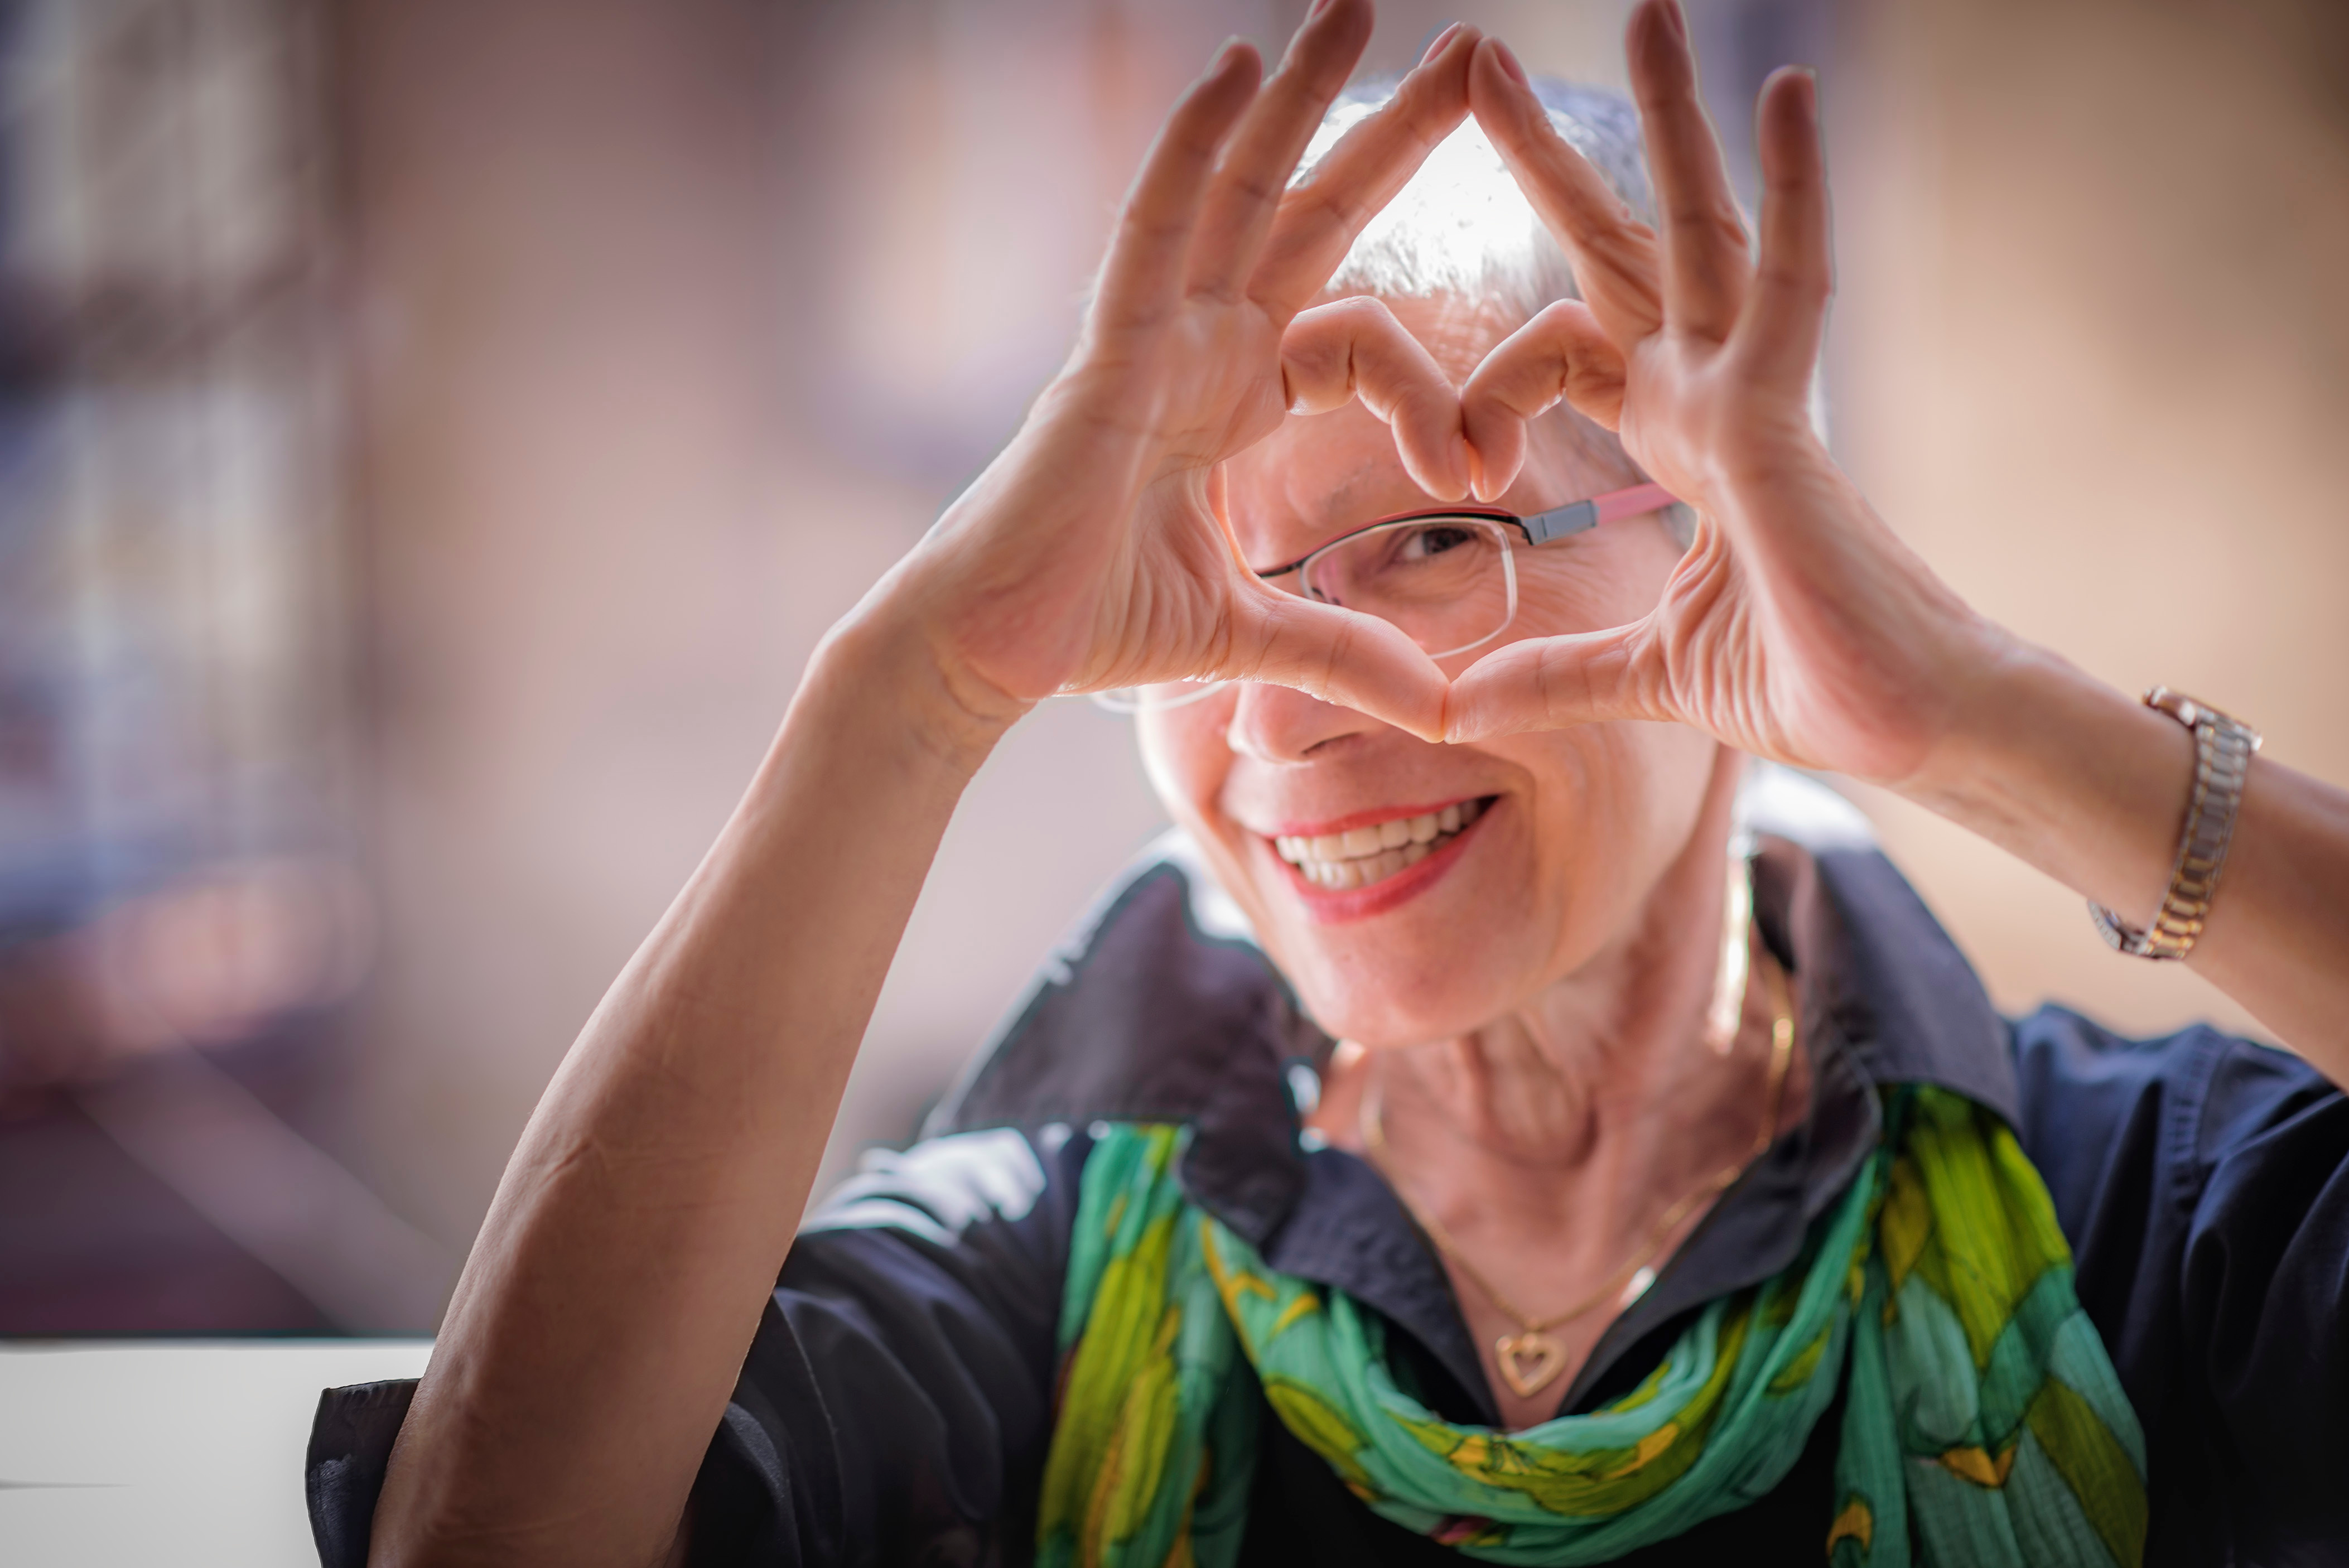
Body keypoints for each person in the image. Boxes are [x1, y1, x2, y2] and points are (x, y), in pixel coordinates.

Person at [306, 3, 2349, 1565]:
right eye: (1198, 597)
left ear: (1721, 549)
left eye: (1434, 541)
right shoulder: (1041, 1260)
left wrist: (1986, 718)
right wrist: (905, 693)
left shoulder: (2136, 1217)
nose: (1277, 715)